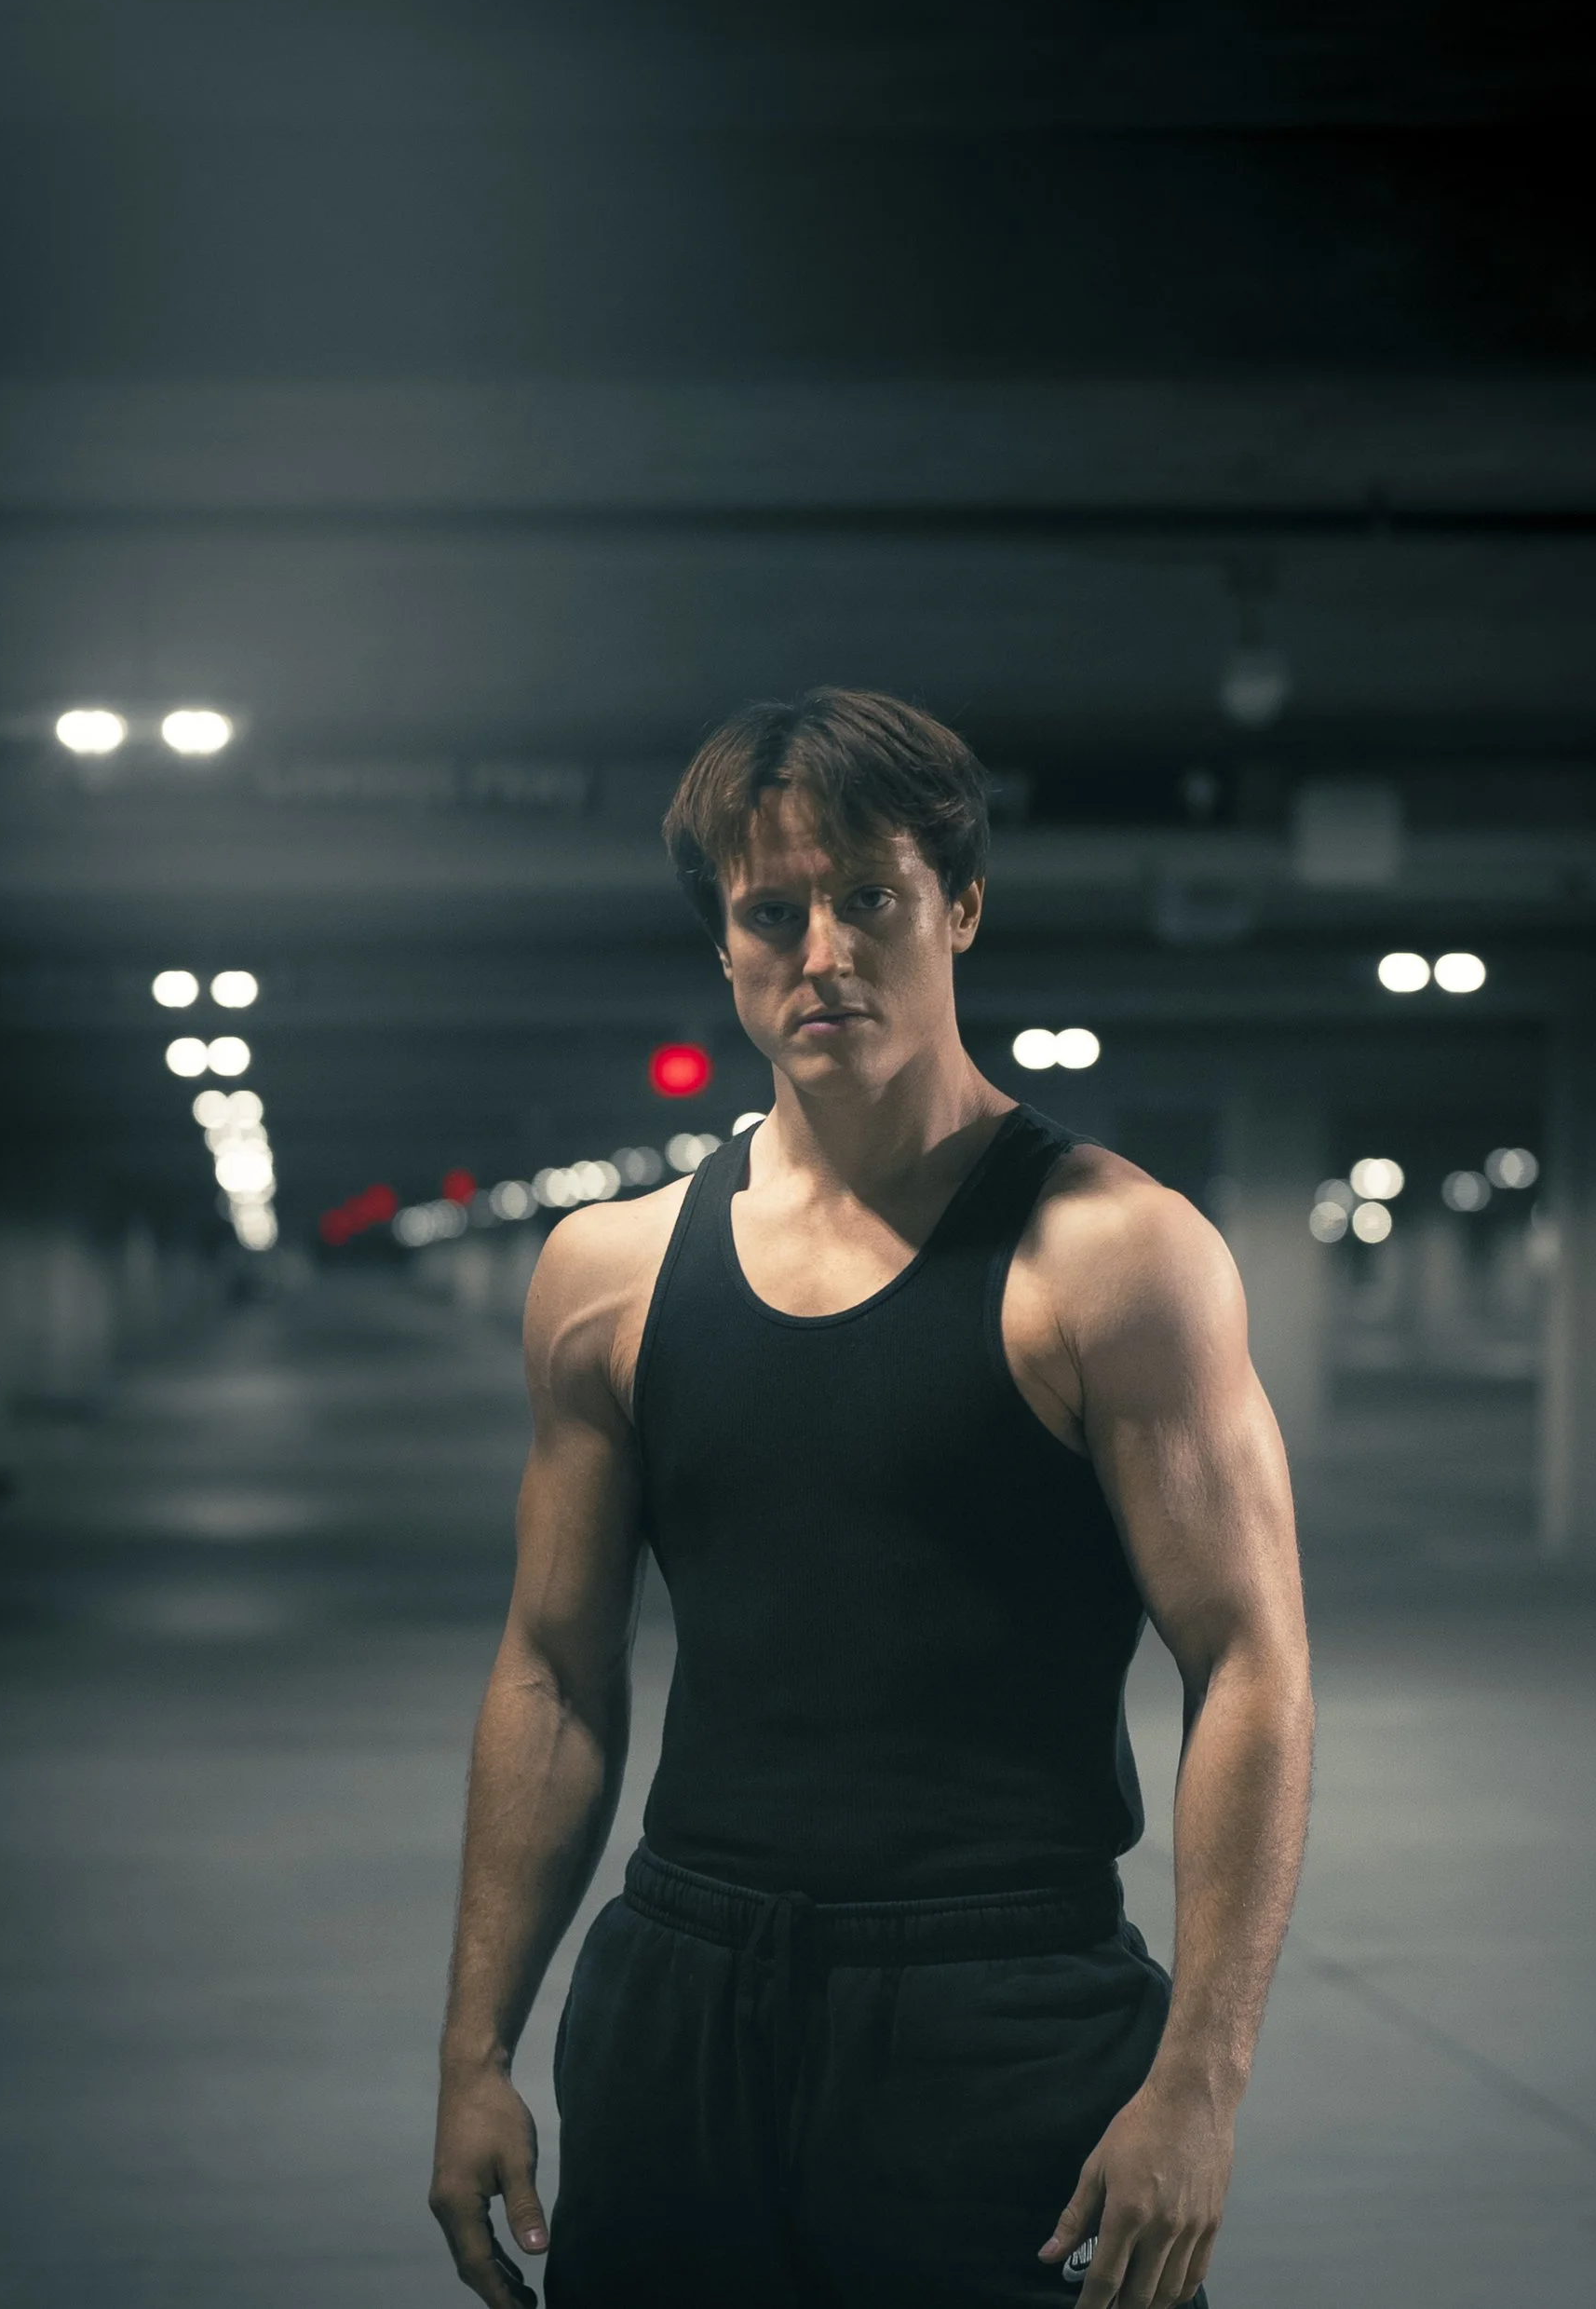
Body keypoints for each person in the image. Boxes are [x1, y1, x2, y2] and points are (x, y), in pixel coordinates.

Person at [430, 689, 1312, 2309]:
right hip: (678, 2001)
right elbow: (554, 1674)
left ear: (960, 906)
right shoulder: (606, 1277)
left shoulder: (1114, 1259)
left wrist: (1200, 2081)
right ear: (725, 946)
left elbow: (1248, 1664)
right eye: (774, 911)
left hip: (1004, 2015)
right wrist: (477, 2045)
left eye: (871, 899)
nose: (822, 950)